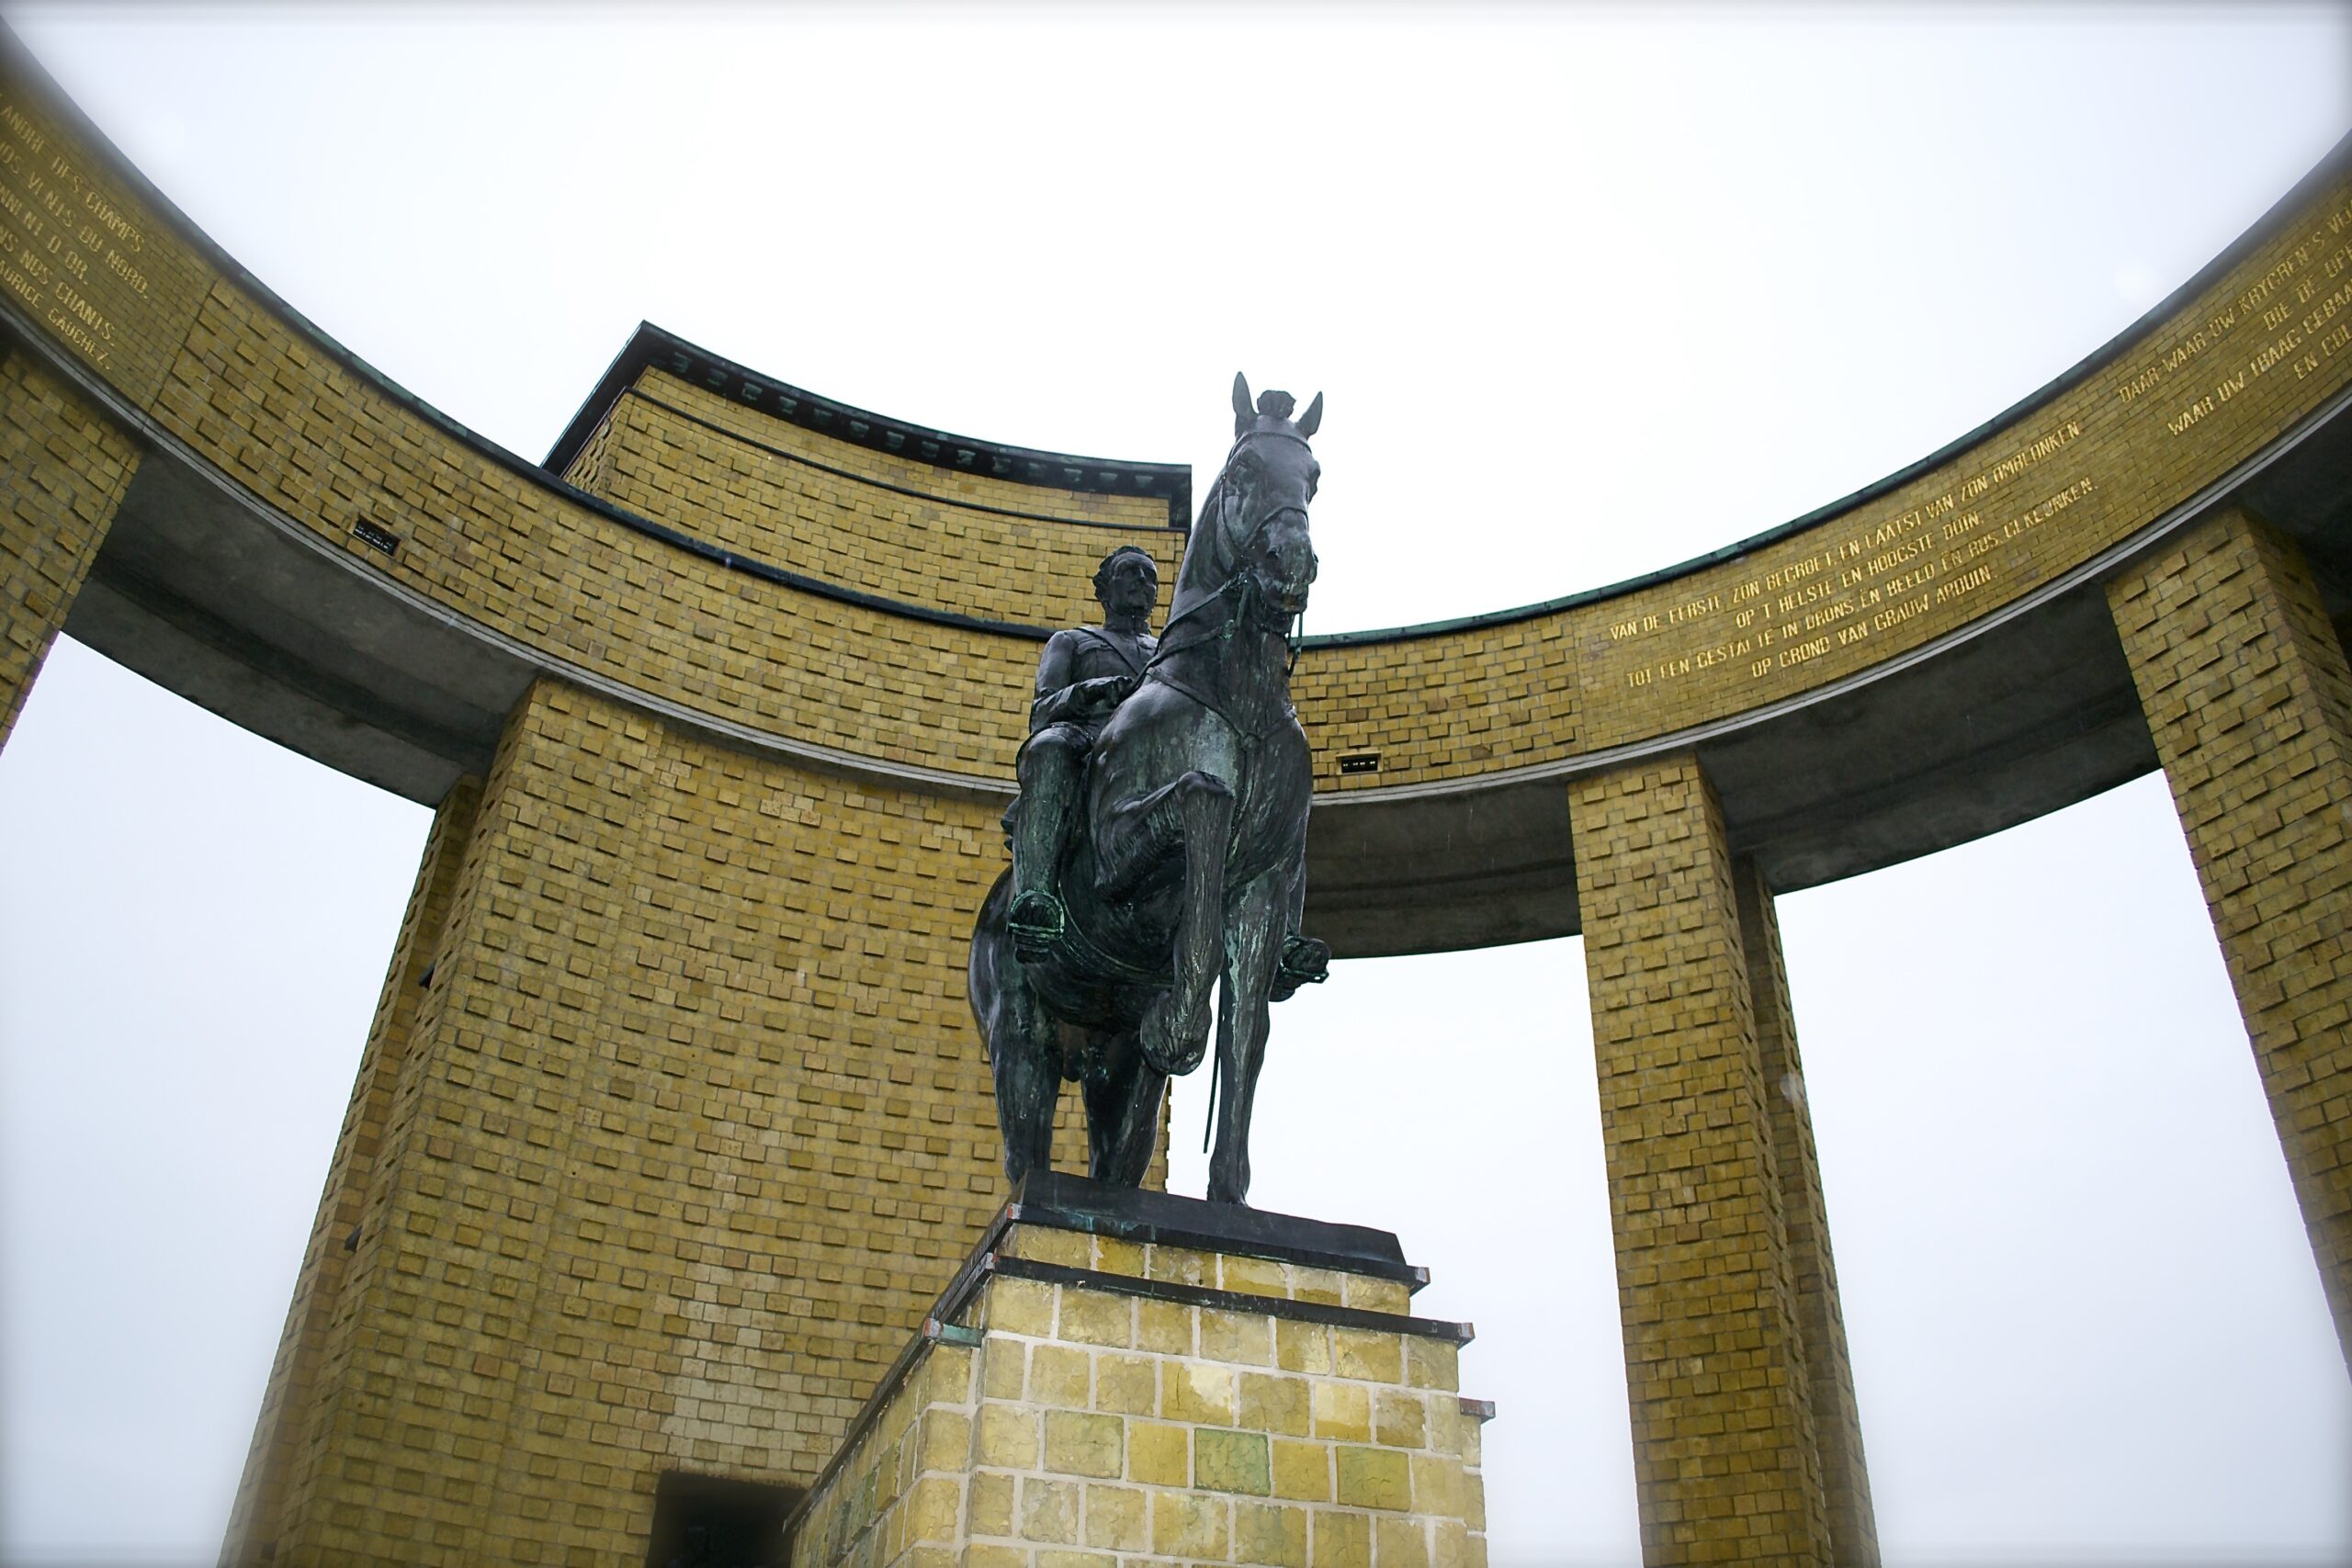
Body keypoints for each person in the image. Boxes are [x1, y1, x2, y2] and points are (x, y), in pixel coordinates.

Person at [1006, 544, 1160, 958]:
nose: (1143, 583)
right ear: (1104, 589)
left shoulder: (1169, 650)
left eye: (1151, 578)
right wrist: (1087, 692)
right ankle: (1036, 895)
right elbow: (1042, 711)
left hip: (1152, 755)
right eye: (1132, 573)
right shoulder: (1072, 641)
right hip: (1089, 745)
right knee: (1049, 746)